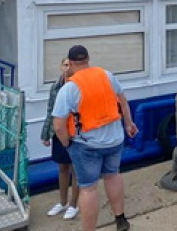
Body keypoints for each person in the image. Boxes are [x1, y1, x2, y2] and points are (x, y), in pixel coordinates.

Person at [52, 45, 138, 231]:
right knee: (113, 176)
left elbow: (58, 125)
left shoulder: (69, 88)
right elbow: (123, 101)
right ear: (88, 60)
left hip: (86, 145)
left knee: (88, 188)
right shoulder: (107, 76)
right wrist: (129, 124)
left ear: (70, 63)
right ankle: (120, 219)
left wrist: (67, 144)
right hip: (115, 140)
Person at [41, 57, 80, 219]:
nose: (67, 68)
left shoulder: (79, 86)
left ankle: (74, 204)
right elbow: (50, 110)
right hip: (59, 131)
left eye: (70, 65)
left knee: (76, 169)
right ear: (61, 67)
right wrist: (45, 133)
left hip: (76, 133)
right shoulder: (55, 87)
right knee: (62, 167)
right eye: (65, 65)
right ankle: (62, 202)